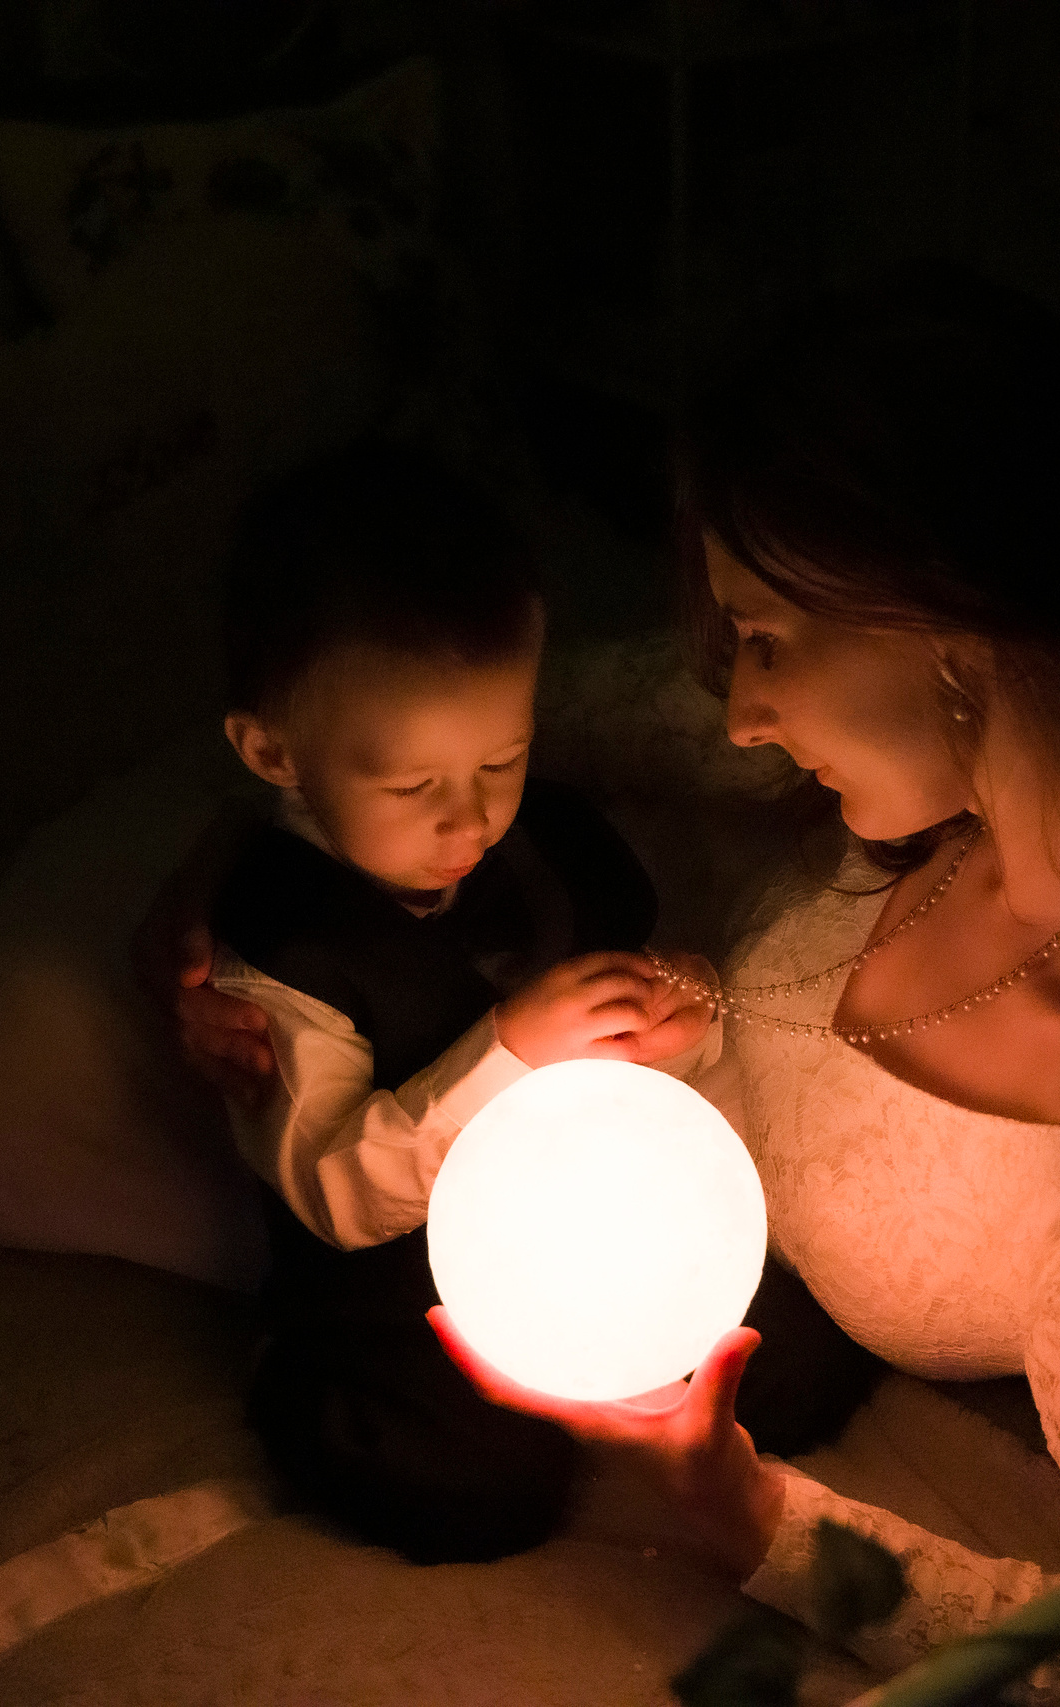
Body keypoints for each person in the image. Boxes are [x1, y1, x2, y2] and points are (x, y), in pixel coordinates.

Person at [155, 275, 1060, 1698]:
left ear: (943, 621)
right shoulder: (918, 766)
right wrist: (209, 891)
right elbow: (409, 725)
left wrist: (755, 1516)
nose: (742, 709)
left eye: (764, 638)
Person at [180, 439, 720, 1564]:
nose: (468, 820)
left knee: (783, 1364)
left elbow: (656, 980)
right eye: (414, 786)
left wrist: (683, 1021)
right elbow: (332, 1192)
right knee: (482, 1485)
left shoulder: (548, 845)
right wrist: (507, 1060)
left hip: (587, 1228)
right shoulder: (282, 942)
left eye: (503, 760)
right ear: (275, 752)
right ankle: (291, 1380)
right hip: (391, 1293)